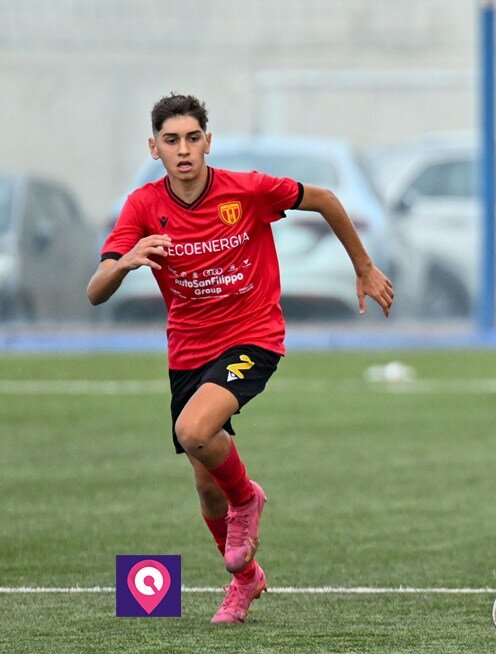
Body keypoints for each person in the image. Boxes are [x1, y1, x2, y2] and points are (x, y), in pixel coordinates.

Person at [87, 94, 394, 624]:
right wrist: (127, 262)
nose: (183, 150)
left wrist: (364, 267)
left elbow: (323, 199)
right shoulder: (142, 206)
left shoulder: (246, 190)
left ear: (208, 141)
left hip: (253, 337)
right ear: (154, 147)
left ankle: (247, 500)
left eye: (192, 138)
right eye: (170, 140)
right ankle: (245, 580)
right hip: (188, 352)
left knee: (195, 432)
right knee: (207, 489)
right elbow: (95, 291)